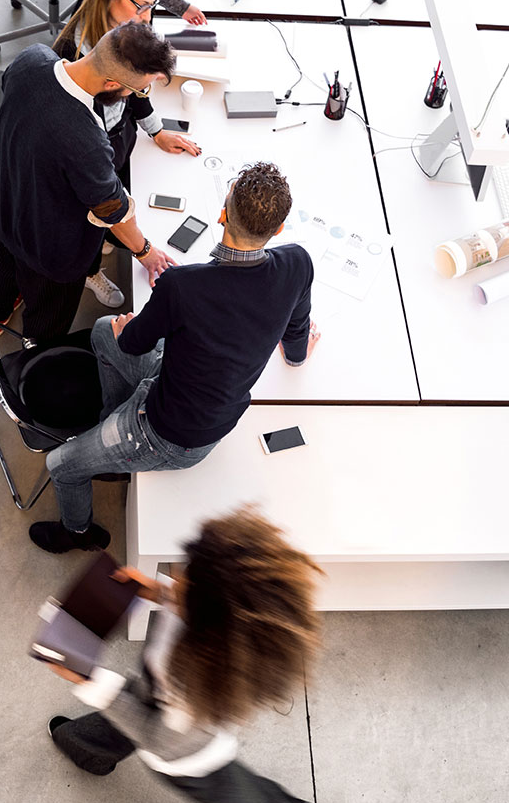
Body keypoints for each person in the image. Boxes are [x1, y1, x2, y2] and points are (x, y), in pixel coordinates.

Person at [30, 161, 321, 554]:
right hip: (184, 388)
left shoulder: (182, 286)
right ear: (279, 229)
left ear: (222, 214)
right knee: (102, 332)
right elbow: (297, 335)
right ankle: (111, 426)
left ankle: (77, 533)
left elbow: (132, 343)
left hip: (172, 435)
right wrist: (298, 354)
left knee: (60, 465)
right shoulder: (298, 263)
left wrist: (126, 329)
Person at [45, 507, 322, 803]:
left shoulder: (194, 694)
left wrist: (89, 682)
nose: (177, 575)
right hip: (155, 693)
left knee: (234, 793)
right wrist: (158, 593)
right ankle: (87, 748)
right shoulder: (212, 618)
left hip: (184, 752)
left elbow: (156, 738)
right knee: (118, 716)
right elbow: (189, 604)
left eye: (185, 583)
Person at [0, 21, 179, 342]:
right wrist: (145, 252)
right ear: (112, 84)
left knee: (7, 260)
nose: (135, 95)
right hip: (49, 249)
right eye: (137, 89)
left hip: (5, 202)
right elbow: (113, 211)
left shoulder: (31, 58)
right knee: (48, 319)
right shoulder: (87, 141)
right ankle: (36, 357)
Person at [54, 0, 201, 309]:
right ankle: (89, 269)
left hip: (118, 138)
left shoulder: (129, 31)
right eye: (140, 6)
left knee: (113, 204)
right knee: (91, 218)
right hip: (89, 151)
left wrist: (156, 130)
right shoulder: (73, 52)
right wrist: (143, 250)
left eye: (152, 6)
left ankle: (105, 237)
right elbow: (92, 174)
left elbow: (138, 92)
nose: (146, 17)